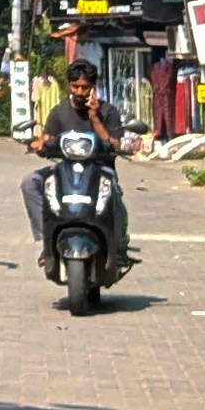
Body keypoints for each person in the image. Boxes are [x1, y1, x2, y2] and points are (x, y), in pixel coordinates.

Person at [28, 57, 134, 276]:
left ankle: (119, 249)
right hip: (65, 171)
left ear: (93, 88)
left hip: (100, 170)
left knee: (116, 201)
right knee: (30, 182)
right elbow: (47, 138)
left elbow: (114, 143)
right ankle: (46, 240)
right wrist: (40, 144)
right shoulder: (59, 112)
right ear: (68, 85)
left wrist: (95, 118)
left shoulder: (108, 111)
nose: (79, 91)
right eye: (75, 86)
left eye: (85, 87)